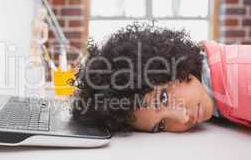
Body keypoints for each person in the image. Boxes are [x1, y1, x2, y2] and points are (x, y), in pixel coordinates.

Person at [71, 23, 251, 133]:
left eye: (163, 98)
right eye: (161, 125)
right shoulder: (212, 83)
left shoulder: (242, 79)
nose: (183, 118)